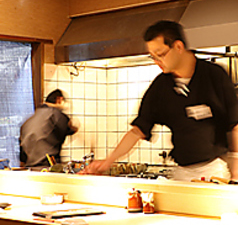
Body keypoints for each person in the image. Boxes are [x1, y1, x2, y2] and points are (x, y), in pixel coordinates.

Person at [84, 20, 238, 182]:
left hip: (215, 169)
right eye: (153, 57)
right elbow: (138, 130)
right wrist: (108, 161)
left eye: (161, 54)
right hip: (181, 172)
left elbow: (235, 124)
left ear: (178, 47)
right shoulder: (161, 86)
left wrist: (236, 172)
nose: (157, 61)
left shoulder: (213, 75)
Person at [19, 89, 78, 167]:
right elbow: (71, 127)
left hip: (30, 169)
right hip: (47, 167)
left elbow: (22, 156)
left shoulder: (29, 120)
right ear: (59, 99)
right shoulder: (55, 114)